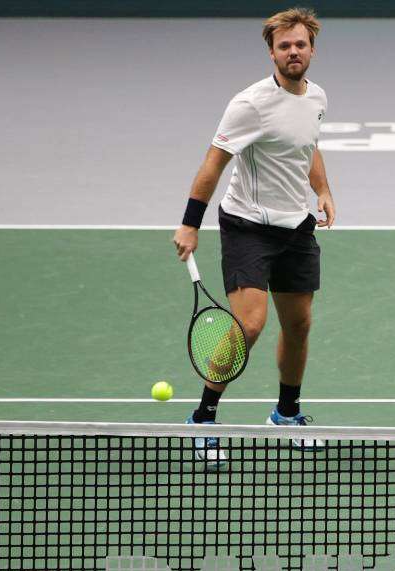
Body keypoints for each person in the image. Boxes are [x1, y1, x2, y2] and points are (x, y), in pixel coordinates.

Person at [173, 7, 335, 464]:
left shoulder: (317, 97)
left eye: (300, 44)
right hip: (247, 226)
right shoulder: (250, 103)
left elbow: (308, 147)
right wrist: (190, 222)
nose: (293, 52)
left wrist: (321, 190)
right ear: (272, 53)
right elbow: (214, 161)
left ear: (312, 49)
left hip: (295, 225)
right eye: (284, 46)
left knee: (299, 324)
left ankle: (286, 413)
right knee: (249, 324)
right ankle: (203, 418)